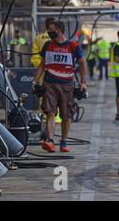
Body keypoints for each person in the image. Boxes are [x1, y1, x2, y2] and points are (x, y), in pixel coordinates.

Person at [32, 20, 87, 153]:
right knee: (49, 112)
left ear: (59, 31)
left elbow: (82, 62)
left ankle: (63, 141)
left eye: (51, 30)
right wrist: (34, 81)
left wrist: (83, 82)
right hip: (49, 83)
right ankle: (50, 140)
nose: (49, 32)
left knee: (66, 115)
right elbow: (42, 65)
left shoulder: (73, 46)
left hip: (67, 85)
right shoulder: (47, 45)